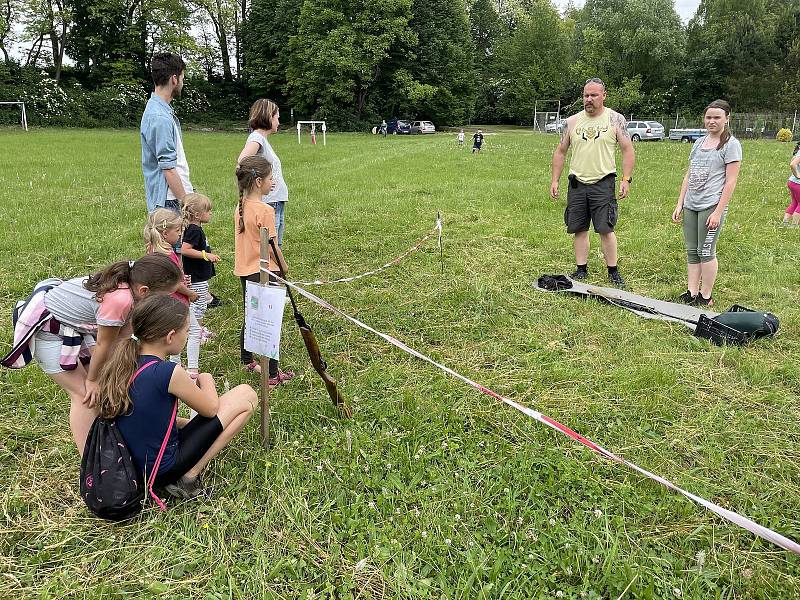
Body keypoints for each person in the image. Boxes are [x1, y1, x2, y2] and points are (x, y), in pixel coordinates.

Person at [1, 255, 182, 455]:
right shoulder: (120, 300)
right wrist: (93, 379)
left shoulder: (132, 287)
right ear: (144, 291)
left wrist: (116, 370)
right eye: (166, 296)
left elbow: (122, 336)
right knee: (85, 396)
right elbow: (105, 344)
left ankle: (106, 441)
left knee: (102, 388)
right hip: (47, 329)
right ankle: (90, 464)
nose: (168, 301)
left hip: (72, 326)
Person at [97, 294, 255, 500]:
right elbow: (211, 409)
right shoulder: (168, 372)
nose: (188, 336)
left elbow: (145, 418)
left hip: (130, 467)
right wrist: (206, 378)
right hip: (161, 471)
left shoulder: (121, 363)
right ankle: (187, 477)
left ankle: (183, 474)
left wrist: (188, 425)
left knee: (215, 413)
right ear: (170, 336)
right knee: (247, 395)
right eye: (187, 331)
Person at [550, 77, 635, 288]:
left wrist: (626, 179)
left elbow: (627, 149)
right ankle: (581, 269)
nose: (589, 99)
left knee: (605, 228)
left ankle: (613, 271)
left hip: (603, 182)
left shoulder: (615, 120)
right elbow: (560, 152)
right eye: (586, 95)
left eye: (594, 95)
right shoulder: (571, 122)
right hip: (577, 182)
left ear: (603, 96)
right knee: (578, 228)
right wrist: (555, 180)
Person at [671, 99, 742, 306]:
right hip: (691, 205)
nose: (712, 121)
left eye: (717, 117)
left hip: (711, 206)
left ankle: (706, 296)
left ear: (727, 119)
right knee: (692, 250)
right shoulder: (698, 143)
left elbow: (731, 181)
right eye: (708, 117)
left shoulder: (731, 145)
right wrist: (680, 203)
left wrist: (718, 212)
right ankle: (691, 292)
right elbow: (689, 175)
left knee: (706, 251)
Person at [234, 155, 295, 386]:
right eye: (271, 178)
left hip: (245, 270)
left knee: (251, 316)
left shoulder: (240, 206)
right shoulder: (266, 210)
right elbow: (271, 246)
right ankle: (272, 375)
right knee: (269, 321)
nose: (274, 183)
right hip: (265, 271)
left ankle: (247, 360)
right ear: (258, 181)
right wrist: (284, 267)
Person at [144, 208, 203, 376]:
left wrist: (183, 279)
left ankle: (175, 365)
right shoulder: (168, 255)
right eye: (177, 231)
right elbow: (173, 283)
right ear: (164, 232)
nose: (180, 235)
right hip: (178, 301)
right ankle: (193, 369)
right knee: (193, 331)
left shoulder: (153, 250)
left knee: (174, 332)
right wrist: (190, 292)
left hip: (164, 302)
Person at [140, 53, 192, 215]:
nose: (182, 83)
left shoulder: (161, 111)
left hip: (173, 199)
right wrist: (186, 205)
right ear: (174, 79)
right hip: (170, 202)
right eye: (182, 78)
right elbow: (168, 168)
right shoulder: (159, 117)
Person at [238, 99, 289, 246]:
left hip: (274, 201)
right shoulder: (257, 138)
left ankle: (274, 269)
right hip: (269, 202)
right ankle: (272, 270)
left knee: (275, 245)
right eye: (277, 117)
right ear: (268, 117)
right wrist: (258, 182)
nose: (279, 121)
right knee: (270, 247)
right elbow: (243, 162)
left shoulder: (261, 139)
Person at [180, 193, 220, 347]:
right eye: (207, 210)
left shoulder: (195, 228)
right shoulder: (194, 230)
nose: (210, 213)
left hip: (199, 276)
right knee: (199, 304)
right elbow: (185, 250)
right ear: (197, 214)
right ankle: (195, 333)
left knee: (201, 303)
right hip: (196, 276)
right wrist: (206, 255)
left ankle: (199, 329)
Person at [781, 141, 800, 226]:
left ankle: (784, 224)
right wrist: (798, 176)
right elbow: (792, 164)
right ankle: (794, 226)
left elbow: (792, 160)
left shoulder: (798, 151)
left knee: (794, 203)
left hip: (792, 182)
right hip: (798, 183)